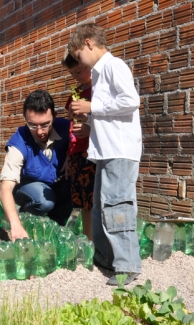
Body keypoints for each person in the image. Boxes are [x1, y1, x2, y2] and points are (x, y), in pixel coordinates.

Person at [67, 23, 143, 285]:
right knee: (101, 206)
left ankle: (127, 264)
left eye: (78, 56)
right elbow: (112, 114)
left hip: (120, 151)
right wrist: (87, 122)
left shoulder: (114, 66)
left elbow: (131, 101)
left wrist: (92, 105)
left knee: (117, 205)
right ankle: (105, 257)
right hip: (107, 151)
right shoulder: (100, 73)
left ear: (88, 43)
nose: (80, 63)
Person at [0, 90, 72, 242]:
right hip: (27, 188)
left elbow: (89, 137)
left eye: (45, 124)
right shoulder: (19, 141)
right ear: (25, 119)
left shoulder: (68, 129)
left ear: (54, 116)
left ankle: (55, 225)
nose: (39, 131)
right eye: (32, 125)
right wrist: (15, 224)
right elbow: (5, 187)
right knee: (44, 200)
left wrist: (73, 152)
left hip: (58, 185)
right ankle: (25, 219)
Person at [61, 52, 96, 240]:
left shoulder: (98, 91)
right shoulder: (75, 94)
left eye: (80, 70)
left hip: (91, 153)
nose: (77, 76)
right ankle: (88, 239)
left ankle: (95, 241)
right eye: (73, 73)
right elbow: (70, 126)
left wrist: (91, 128)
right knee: (82, 202)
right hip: (76, 153)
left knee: (92, 201)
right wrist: (69, 153)